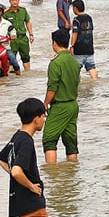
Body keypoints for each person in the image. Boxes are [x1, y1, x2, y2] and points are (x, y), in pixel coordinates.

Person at [0, 97, 48, 217]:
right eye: (44, 116)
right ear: (36, 118)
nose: (44, 120)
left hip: (22, 202)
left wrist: (18, 178)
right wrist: (32, 187)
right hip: (31, 203)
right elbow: (17, 171)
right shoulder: (26, 141)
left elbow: (1, 159)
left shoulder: (17, 137)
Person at [43, 28, 80, 162]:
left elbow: (52, 88)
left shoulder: (55, 63)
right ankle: (72, 169)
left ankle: (52, 173)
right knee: (70, 141)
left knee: (49, 139)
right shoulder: (74, 62)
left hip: (60, 106)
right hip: (73, 105)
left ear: (54, 43)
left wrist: (45, 103)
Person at [71, 0, 98, 80]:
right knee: (91, 67)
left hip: (79, 49)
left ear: (75, 8)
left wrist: (72, 45)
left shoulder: (76, 20)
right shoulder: (89, 18)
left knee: (75, 69)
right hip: (89, 48)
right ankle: (95, 82)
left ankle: (77, 85)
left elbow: (75, 33)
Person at [4, 0, 33, 72]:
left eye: (16, 0)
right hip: (12, 40)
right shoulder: (6, 13)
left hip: (23, 38)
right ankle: (12, 80)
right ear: (9, 1)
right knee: (11, 60)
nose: (15, 2)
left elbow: (28, 22)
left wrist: (31, 34)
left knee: (26, 58)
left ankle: (27, 76)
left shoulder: (23, 11)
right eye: (13, 0)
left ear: (19, 0)